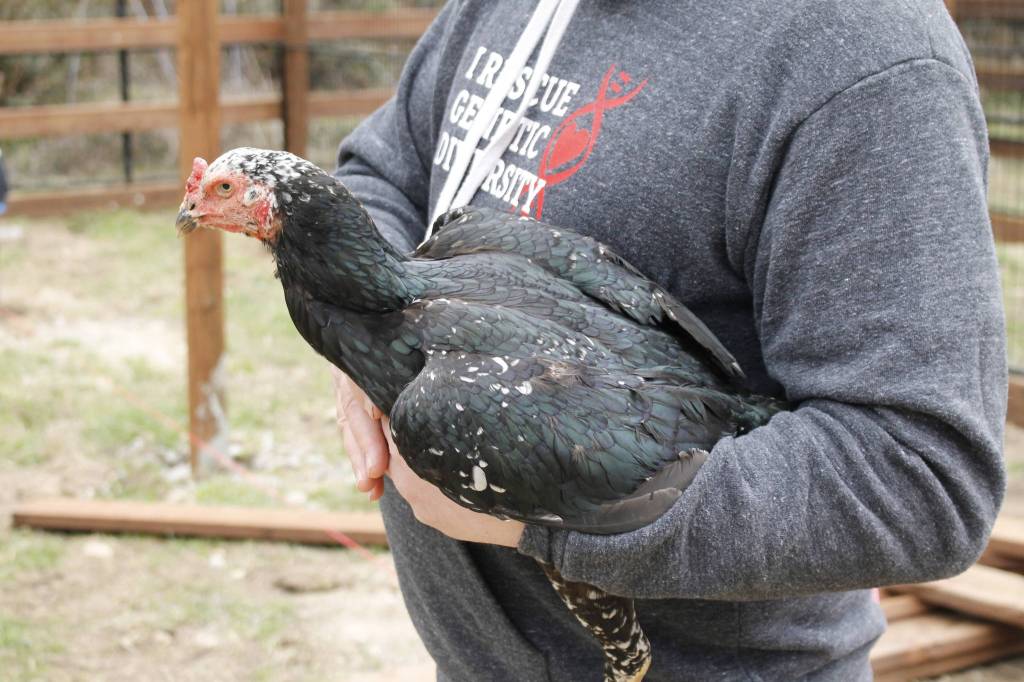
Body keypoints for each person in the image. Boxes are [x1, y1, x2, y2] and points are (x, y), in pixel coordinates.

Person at [331, 1, 1007, 679]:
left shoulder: (864, 54)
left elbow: (919, 479)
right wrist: (370, 322)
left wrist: (542, 519)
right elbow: (385, 171)